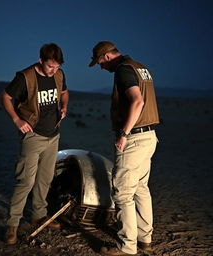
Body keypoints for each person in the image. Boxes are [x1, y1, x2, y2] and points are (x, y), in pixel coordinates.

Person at [89, 41, 159, 256]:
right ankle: (144, 238)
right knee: (141, 188)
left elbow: (137, 101)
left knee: (122, 193)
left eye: (100, 63)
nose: (101, 67)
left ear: (107, 57)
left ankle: (127, 246)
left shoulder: (123, 70)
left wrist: (124, 133)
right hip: (150, 136)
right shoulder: (140, 67)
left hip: (135, 138)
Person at [1, 43, 69, 244]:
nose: (54, 70)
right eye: (50, 66)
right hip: (33, 136)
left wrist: (64, 107)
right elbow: (5, 96)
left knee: (45, 179)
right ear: (41, 60)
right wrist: (16, 120)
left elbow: (64, 92)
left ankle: (39, 215)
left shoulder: (58, 74)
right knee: (25, 181)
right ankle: (12, 225)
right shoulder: (25, 77)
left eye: (57, 67)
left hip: (53, 135)